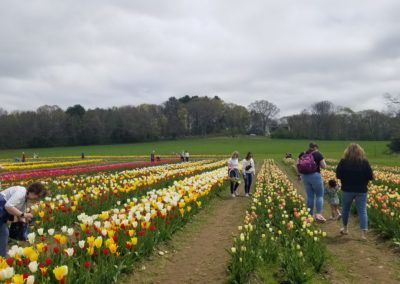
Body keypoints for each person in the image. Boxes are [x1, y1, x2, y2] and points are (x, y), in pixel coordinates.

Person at [336, 143, 373, 240]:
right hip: (361, 190)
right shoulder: (364, 162)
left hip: (347, 189)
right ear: (360, 151)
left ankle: (345, 229)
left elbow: (338, 175)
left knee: (345, 209)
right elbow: (370, 176)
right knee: (362, 211)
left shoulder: (343, 162)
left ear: (347, 152)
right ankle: (363, 235)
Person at [0, 182, 47, 256]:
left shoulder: (25, 199)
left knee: (4, 234)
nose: (37, 199)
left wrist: (25, 225)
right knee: (4, 233)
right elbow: (8, 206)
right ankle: (1, 258)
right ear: (33, 192)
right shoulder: (21, 192)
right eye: (37, 196)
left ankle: (2, 258)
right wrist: (24, 215)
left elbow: (21, 214)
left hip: (1, 214)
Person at [297, 142, 327, 222]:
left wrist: (299, 175)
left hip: (305, 177)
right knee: (319, 195)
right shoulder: (317, 154)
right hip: (315, 176)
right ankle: (318, 214)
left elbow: (297, 164)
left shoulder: (302, 154)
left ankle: (310, 214)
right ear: (315, 147)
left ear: (309, 147)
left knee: (310, 196)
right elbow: (324, 166)